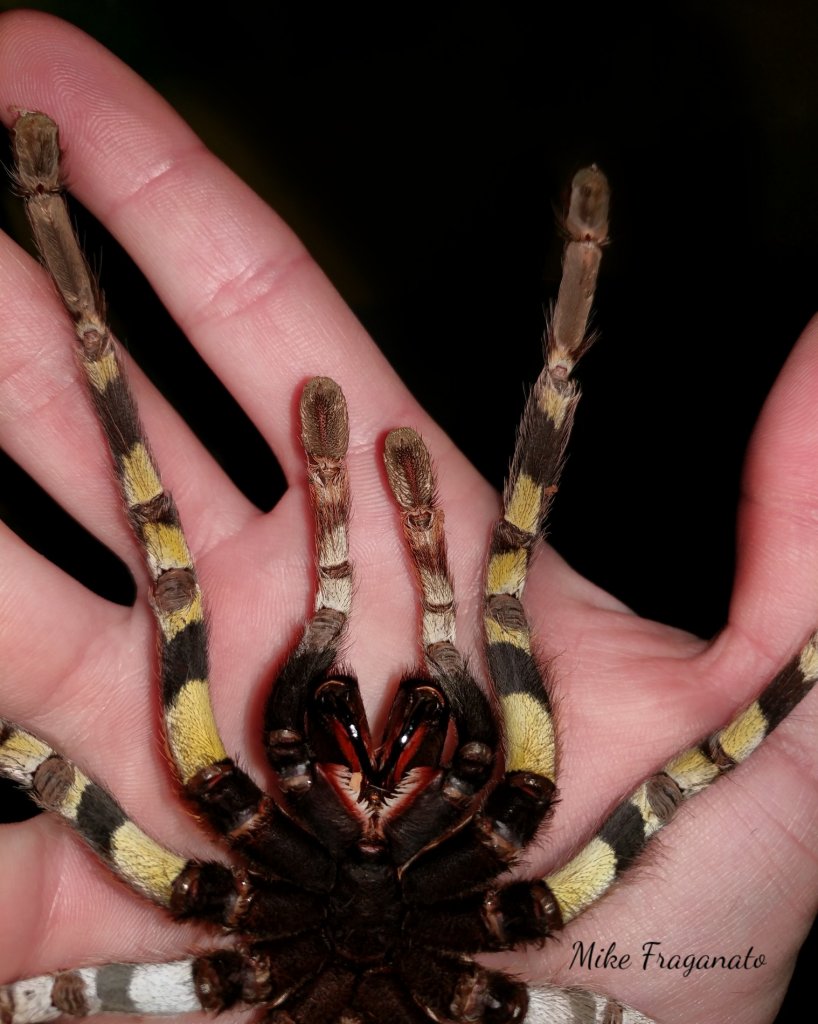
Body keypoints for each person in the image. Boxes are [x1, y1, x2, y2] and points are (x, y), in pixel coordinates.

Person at [0, 10, 815, 1024]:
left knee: (183, 620)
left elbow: (165, 661)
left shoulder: (233, 880)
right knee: (499, 626)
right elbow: (661, 796)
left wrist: (41, 772)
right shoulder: (504, 903)